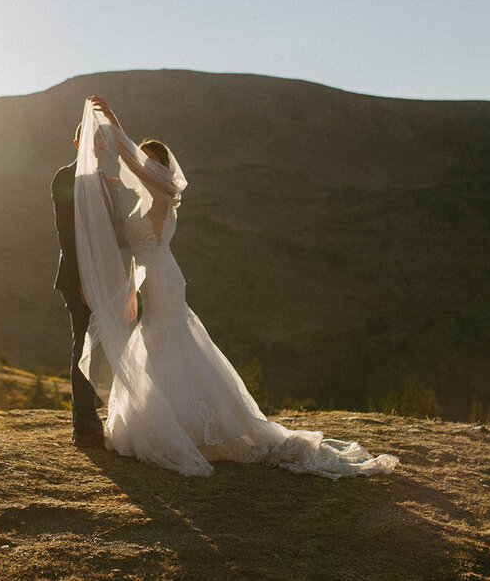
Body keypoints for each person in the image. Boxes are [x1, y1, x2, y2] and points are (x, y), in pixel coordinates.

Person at [73, 96, 399, 478]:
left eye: (150, 161)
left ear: (160, 168)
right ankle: (170, 419)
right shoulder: (145, 199)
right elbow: (137, 247)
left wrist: (112, 122)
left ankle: (188, 427)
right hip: (153, 276)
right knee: (161, 338)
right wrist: (129, 288)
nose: (142, 165)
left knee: (166, 338)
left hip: (163, 278)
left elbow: (129, 161)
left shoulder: (161, 194)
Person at [51, 121, 106, 448]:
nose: (99, 146)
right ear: (76, 143)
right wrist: (84, 279)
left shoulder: (102, 180)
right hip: (77, 278)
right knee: (83, 345)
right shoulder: (64, 177)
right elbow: (67, 235)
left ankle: (95, 419)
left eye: (102, 141)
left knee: (99, 350)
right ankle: (84, 428)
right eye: (91, 140)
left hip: (104, 278)